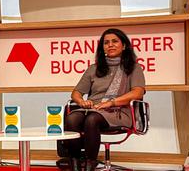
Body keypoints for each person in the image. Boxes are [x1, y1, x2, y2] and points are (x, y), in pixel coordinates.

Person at [57, 28, 146, 171]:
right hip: (93, 109)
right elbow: (76, 93)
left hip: (118, 111)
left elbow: (137, 93)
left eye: (115, 41)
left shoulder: (134, 68)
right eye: (106, 42)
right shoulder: (94, 68)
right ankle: (74, 163)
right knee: (71, 118)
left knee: (92, 119)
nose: (110, 45)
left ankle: (89, 164)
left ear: (124, 45)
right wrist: (81, 102)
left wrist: (111, 102)